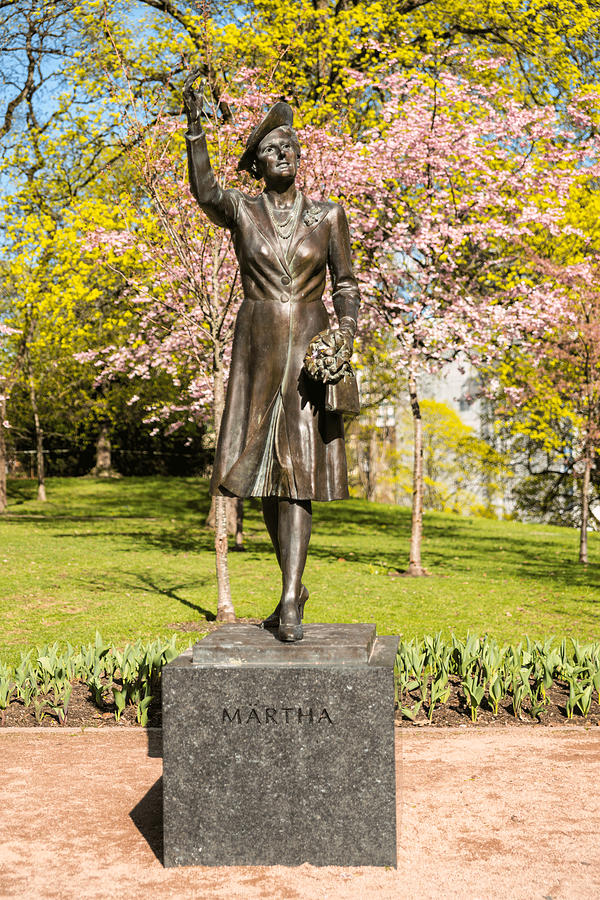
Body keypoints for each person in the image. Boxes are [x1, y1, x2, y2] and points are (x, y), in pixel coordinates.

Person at [183, 71, 360, 642]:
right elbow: (205, 192)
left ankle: (289, 596)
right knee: (261, 468)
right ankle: (291, 580)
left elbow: (347, 283)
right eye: (269, 149)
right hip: (257, 344)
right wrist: (195, 130)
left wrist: (347, 333)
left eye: (289, 147)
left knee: (299, 470)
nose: (282, 153)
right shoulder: (242, 209)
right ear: (257, 164)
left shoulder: (328, 214)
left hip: (309, 344)